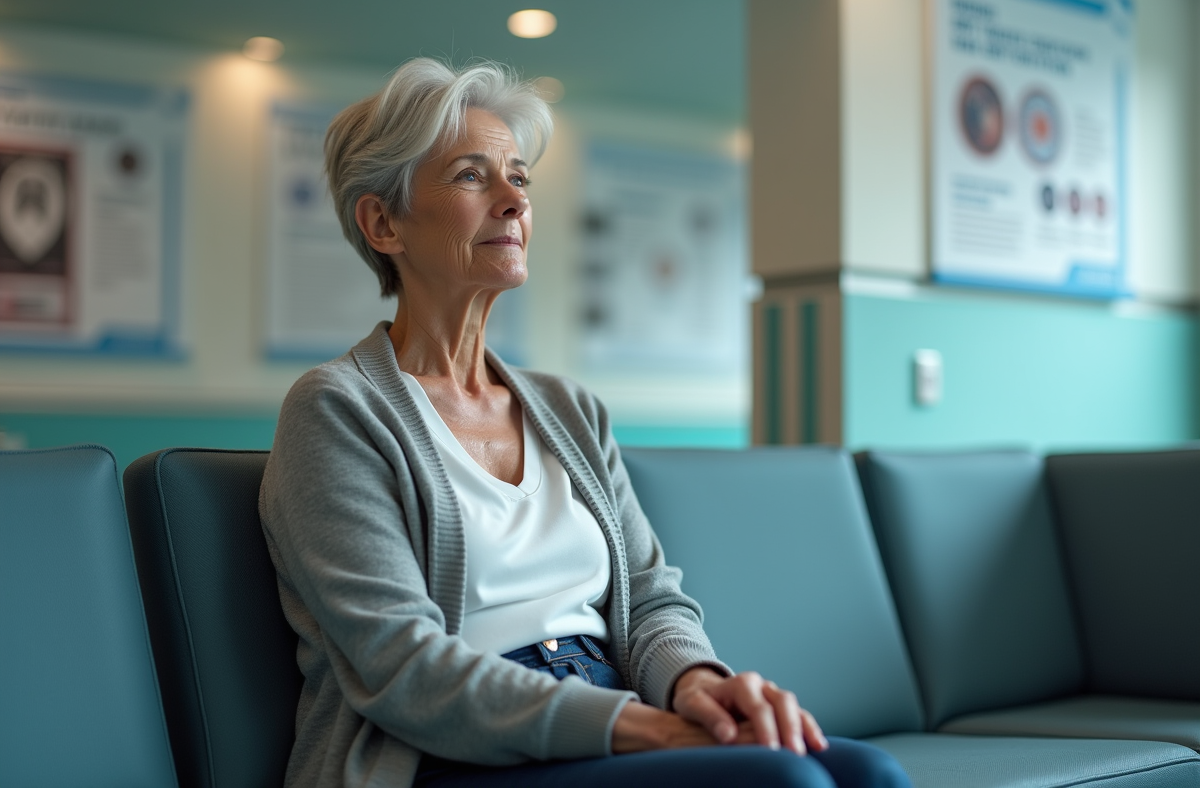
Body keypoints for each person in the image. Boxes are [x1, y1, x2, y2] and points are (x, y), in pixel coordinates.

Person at [259, 58, 911, 788]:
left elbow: (650, 598)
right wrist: (651, 730)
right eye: (472, 176)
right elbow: (402, 666)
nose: (514, 200)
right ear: (384, 223)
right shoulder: (337, 409)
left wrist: (698, 687)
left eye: (520, 178)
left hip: (608, 713)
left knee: (870, 772)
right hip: (449, 752)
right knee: (787, 783)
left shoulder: (570, 409)